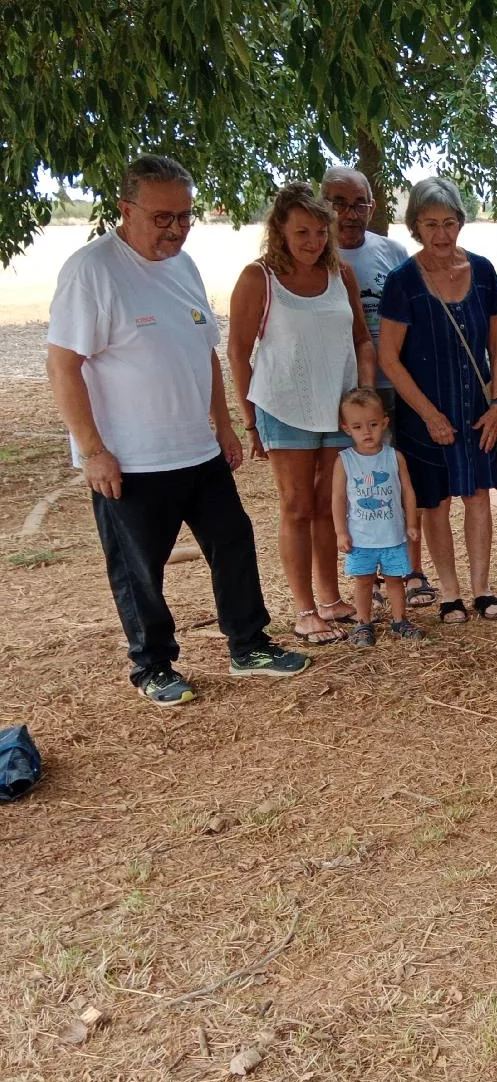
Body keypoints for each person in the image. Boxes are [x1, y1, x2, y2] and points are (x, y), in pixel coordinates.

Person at [45, 153, 310, 703]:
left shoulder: (183, 266)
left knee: (233, 540)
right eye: (163, 217)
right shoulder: (92, 270)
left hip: (197, 448)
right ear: (126, 208)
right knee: (140, 567)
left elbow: (205, 352)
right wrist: (92, 450)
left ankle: (249, 644)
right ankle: (152, 665)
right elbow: (63, 365)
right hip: (131, 458)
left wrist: (224, 426)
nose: (176, 229)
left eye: (185, 216)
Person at [228, 183, 376, 645]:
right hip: (285, 408)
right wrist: (250, 418)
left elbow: (360, 340)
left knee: (329, 507)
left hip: (337, 409)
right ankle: (305, 608)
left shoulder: (341, 274)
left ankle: (331, 598)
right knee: (296, 507)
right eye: (302, 232)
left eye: (319, 232)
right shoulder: (260, 277)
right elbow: (237, 350)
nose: (312, 241)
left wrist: (364, 396)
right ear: (280, 231)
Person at [379, 176, 497, 624]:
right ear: (416, 225)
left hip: (477, 409)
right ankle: (449, 593)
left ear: (461, 223)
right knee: (435, 502)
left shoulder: (483, 271)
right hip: (425, 414)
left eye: (449, 222)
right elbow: (389, 359)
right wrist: (429, 414)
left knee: (477, 496)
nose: (441, 234)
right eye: (430, 223)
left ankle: (483, 589)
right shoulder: (402, 282)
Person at [322, 165, 431, 607]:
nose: (350, 213)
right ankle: (363, 575)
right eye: (338, 202)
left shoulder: (392, 251)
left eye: (359, 203)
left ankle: (411, 571)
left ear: (372, 206)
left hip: (396, 385)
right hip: (344, 392)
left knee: (402, 478)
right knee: (357, 485)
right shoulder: (317, 253)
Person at [332, 387, 422, 647]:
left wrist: (412, 523)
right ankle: (363, 623)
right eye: (358, 426)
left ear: (384, 422)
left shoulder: (394, 457)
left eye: (373, 424)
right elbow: (338, 498)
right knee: (364, 582)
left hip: (392, 536)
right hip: (361, 539)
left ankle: (400, 619)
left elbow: (408, 491)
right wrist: (340, 531)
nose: (367, 432)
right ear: (347, 429)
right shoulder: (345, 461)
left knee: (395, 580)